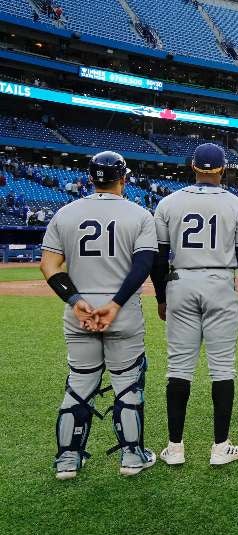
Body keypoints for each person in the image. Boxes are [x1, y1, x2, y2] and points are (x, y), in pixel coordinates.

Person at [39, 151, 157, 479]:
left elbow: (49, 265)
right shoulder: (139, 214)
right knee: (128, 385)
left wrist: (75, 300)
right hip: (122, 316)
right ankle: (132, 456)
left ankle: (67, 460)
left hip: (81, 316)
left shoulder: (65, 213)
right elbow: (143, 265)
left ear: (91, 178)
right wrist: (116, 304)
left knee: (79, 383)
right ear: (124, 177)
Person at [151, 143, 238, 467]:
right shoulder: (237, 205)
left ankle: (174, 448)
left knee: (178, 367)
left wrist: (160, 296)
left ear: (193, 167)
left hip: (181, 281)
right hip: (219, 283)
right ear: (223, 169)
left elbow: (158, 257)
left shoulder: (169, 202)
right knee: (222, 367)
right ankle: (220, 446)